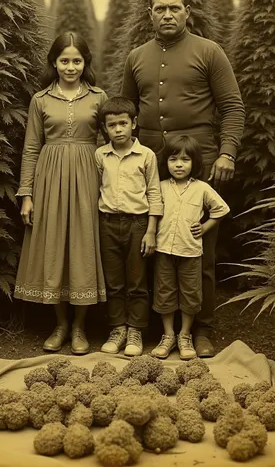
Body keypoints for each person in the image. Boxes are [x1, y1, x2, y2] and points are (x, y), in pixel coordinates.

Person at [122, 0, 245, 357]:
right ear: (150, 13)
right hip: (150, 168)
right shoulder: (137, 57)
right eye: (160, 8)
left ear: (187, 12)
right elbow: (125, 113)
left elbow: (233, 107)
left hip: (198, 165)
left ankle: (201, 327)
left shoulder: (209, 51)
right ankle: (155, 327)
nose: (168, 14)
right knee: (152, 244)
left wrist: (227, 153)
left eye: (175, 7)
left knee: (199, 247)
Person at [14, 32, 107, 355]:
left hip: (87, 177)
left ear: (85, 62)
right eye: (64, 60)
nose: (71, 67)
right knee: (53, 244)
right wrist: (27, 193)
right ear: (54, 62)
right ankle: (60, 324)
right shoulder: (40, 100)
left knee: (82, 244)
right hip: (49, 178)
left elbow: (109, 143)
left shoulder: (98, 97)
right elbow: (30, 148)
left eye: (77, 60)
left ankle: (80, 326)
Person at [95, 96, 163, 357]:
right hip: (108, 223)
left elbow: (154, 192)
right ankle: (117, 328)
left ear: (134, 123)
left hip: (138, 224)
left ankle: (135, 330)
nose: (118, 129)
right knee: (114, 283)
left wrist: (151, 230)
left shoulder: (146, 156)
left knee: (136, 281)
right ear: (105, 128)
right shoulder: (100, 155)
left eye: (123, 123)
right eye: (112, 125)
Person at [152, 135, 230, 360]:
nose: (178, 164)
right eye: (173, 159)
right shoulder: (161, 187)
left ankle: (185, 335)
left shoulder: (202, 188)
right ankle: (168, 336)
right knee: (165, 292)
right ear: (166, 162)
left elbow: (221, 209)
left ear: (194, 163)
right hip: (164, 250)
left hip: (190, 252)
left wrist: (205, 227)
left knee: (190, 294)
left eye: (185, 160)